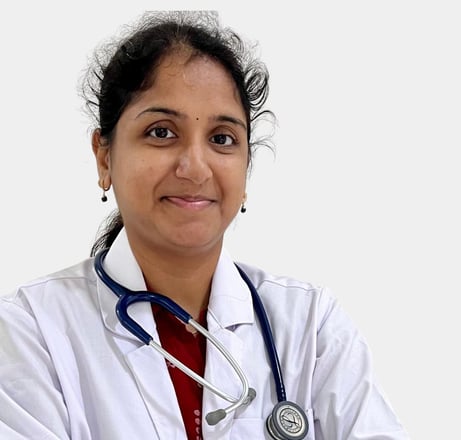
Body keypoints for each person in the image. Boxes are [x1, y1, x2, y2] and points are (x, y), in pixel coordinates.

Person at [0, 10, 409, 440]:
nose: (195, 168)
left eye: (222, 139)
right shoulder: (31, 331)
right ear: (104, 157)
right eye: (161, 132)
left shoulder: (311, 327)